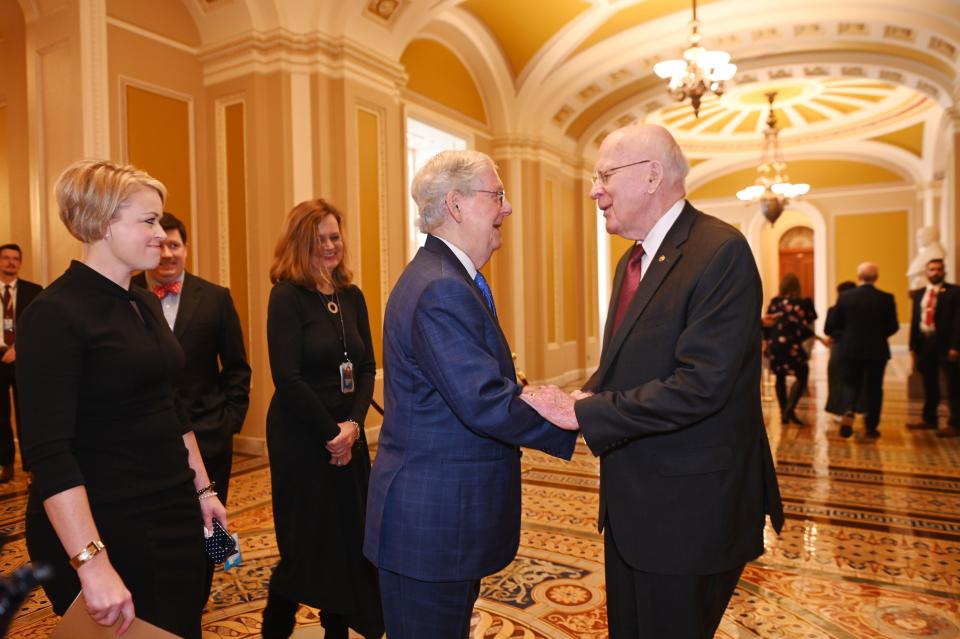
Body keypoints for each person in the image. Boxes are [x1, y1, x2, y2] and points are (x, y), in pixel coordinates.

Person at [521, 124, 783, 639]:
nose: (594, 190)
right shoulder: (632, 260)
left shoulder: (719, 251)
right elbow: (630, 360)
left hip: (690, 512)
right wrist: (585, 392)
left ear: (651, 176)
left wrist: (583, 412)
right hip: (635, 507)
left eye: (604, 176)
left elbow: (701, 384)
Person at [363, 150, 576, 639]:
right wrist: (574, 416)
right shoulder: (441, 287)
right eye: (496, 195)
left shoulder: (447, 277)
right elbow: (483, 400)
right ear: (456, 205)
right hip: (432, 524)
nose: (507, 208)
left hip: (443, 522)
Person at [15, 160, 227, 639]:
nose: (161, 233)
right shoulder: (54, 313)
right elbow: (50, 454)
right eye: (149, 221)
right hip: (104, 525)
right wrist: (92, 565)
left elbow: (171, 406)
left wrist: (203, 490)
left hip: (171, 512)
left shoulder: (143, 302)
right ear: (106, 224)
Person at [262, 199, 383, 639]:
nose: (332, 246)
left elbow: (367, 367)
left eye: (335, 236)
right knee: (306, 540)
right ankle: (275, 626)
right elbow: (287, 378)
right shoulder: (287, 297)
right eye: (320, 239)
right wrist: (331, 434)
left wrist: (351, 429)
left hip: (347, 434)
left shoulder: (352, 296)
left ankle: (339, 630)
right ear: (300, 244)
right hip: (301, 437)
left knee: (351, 537)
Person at [132, 211, 252, 603]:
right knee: (156, 528)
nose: (167, 254)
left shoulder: (215, 297)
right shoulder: (126, 295)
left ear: (186, 248)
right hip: (147, 441)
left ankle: (197, 600)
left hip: (209, 437)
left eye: (175, 245)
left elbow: (236, 368)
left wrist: (228, 422)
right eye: (160, 245)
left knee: (209, 524)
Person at [831, 262, 900, 439]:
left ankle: (849, 410)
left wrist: (845, 338)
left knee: (851, 383)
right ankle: (871, 426)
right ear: (876, 278)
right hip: (877, 350)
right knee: (875, 388)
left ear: (859, 277)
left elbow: (834, 324)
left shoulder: (845, 297)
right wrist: (878, 335)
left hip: (850, 349)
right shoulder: (886, 298)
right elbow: (893, 326)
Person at [0, 243, 42, 483]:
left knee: (28, 414)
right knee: (1, 416)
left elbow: (40, 326)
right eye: (6, 258)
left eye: (15, 258)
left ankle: (31, 466)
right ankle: (6, 464)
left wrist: (19, 348)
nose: (11, 262)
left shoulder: (33, 291)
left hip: (24, 358)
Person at [905, 258, 960, 437]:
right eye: (931, 269)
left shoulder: (954, 292)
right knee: (929, 383)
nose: (935, 272)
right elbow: (915, 319)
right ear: (926, 272)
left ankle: (955, 422)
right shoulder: (920, 293)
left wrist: (955, 346)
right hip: (925, 343)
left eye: (938, 269)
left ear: (944, 271)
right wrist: (913, 345)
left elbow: (957, 322)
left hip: (945, 344)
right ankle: (929, 419)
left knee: (953, 384)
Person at [763, 273, 817, 426]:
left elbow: (768, 324)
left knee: (780, 377)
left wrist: (766, 343)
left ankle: (784, 413)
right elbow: (810, 322)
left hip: (776, 344)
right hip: (793, 344)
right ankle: (789, 410)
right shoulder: (803, 303)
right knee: (802, 374)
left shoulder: (774, 302)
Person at [823, 280, 858, 417]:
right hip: (855, 346)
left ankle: (837, 409)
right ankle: (852, 407)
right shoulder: (858, 311)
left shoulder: (834, 309)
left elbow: (827, 330)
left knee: (836, 380)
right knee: (853, 378)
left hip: (837, 347)